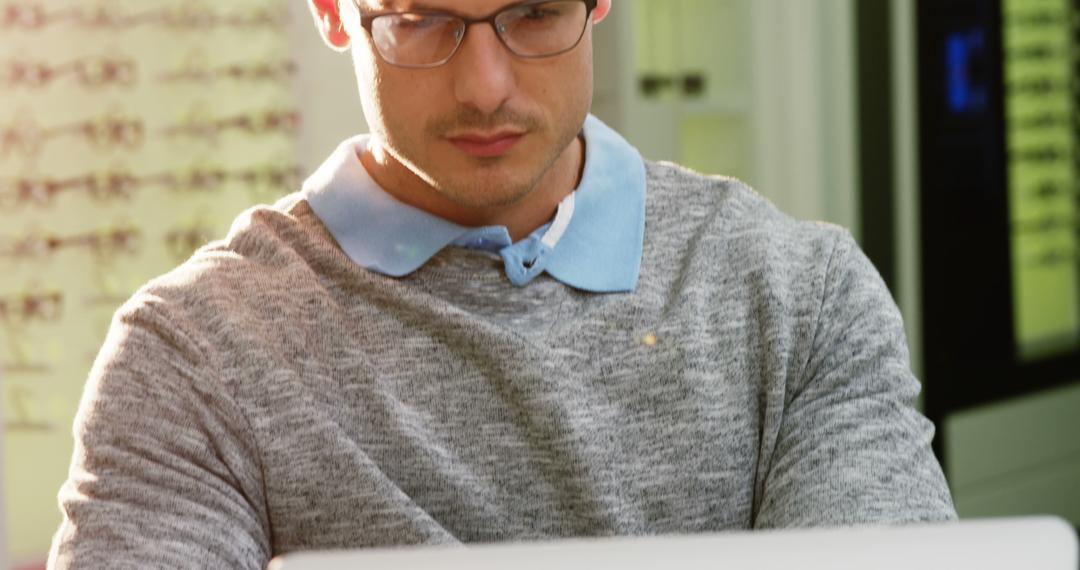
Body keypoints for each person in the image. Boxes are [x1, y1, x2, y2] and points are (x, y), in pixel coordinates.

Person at [48, 0, 956, 568]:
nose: (484, 87)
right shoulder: (191, 357)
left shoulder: (801, 298)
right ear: (334, 11)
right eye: (420, 20)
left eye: (532, 14)